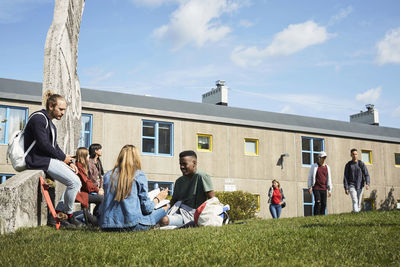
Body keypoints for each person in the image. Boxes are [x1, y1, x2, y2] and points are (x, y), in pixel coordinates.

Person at [24, 92, 82, 226]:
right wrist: (63, 157)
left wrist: (68, 162)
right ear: (51, 106)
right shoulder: (39, 119)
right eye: (60, 109)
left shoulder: (51, 125)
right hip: (37, 160)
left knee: (75, 181)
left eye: (64, 110)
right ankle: (68, 215)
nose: (62, 113)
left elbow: (55, 146)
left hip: (46, 160)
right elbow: (43, 144)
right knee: (75, 183)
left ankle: (60, 214)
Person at [98, 145, 168, 231]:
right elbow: (147, 209)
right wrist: (158, 198)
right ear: (136, 158)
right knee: (165, 207)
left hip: (108, 226)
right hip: (132, 225)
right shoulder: (139, 175)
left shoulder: (108, 175)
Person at [160, 150, 215, 227]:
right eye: (180, 164)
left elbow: (212, 200)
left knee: (164, 220)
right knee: (158, 217)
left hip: (193, 215)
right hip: (178, 212)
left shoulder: (201, 176)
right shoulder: (179, 181)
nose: (182, 167)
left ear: (194, 163)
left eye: (184, 164)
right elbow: (174, 201)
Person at [75, 147, 104, 225]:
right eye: (87, 155)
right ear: (83, 156)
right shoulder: (79, 166)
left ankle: (93, 218)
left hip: (86, 191)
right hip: (81, 194)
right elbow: (87, 182)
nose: (89, 157)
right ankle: (94, 219)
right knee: (102, 199)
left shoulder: (81, 166)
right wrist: (97, 190)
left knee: (102, 198)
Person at [343, 148, 371, 212]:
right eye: (353, 154)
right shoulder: (348, 165)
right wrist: (346, 188)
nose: (355, 155)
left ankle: (356, 213)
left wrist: (367, 183)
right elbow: (345, 177)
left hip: (360, 185)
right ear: (351, 155)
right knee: (354, 199)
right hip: (351, 185)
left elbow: (366, 174)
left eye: (356, 154)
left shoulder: (361, 164)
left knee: (358, 201)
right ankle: (356, 212)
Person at [307, 152, 332, 216]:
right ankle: (316, 215)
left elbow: (329, 178)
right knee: (318, 202)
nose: (324, 159)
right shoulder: (314, 166)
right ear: (319, 158)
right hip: (316, 187)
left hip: (324, 188)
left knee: (324, 203)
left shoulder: (327, 167)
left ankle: (322, 216)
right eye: (322, 157)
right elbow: (310, 176)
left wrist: (329, 190)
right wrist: (309, 187)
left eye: (325, 158)